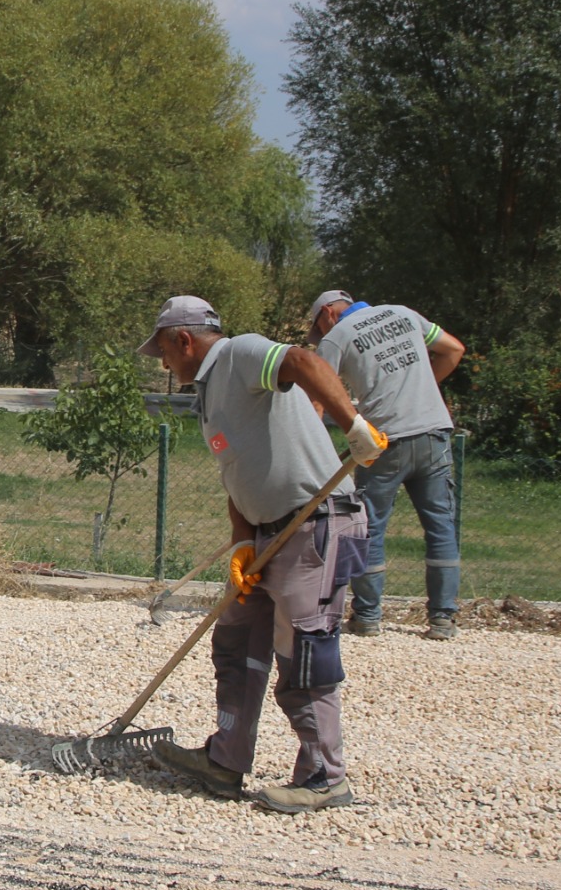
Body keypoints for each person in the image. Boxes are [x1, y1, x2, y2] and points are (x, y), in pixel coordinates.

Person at [139, 295, 388, 813]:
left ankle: (325, 776)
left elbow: (303, 361)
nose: (163, 363)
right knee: (234, 643)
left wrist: (353, 426)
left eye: (164, 350)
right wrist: (243, 542)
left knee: (304, 653)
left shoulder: (240, 354)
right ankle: (225, 761)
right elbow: (238, 472)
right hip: (267, 536)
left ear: (185, 339)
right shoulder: (209, 395)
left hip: (315, 524)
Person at [310, 290, 466, 641]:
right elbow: (453, 349)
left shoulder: (336, 338)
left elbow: (317, 396)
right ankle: (443, 619)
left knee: (367, 528)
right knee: (441, 527)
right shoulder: (405, 313)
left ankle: (367, 617)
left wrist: (313, 449)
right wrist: (418, 392)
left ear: (326, 315)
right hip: (434, 434)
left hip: (383, 442)